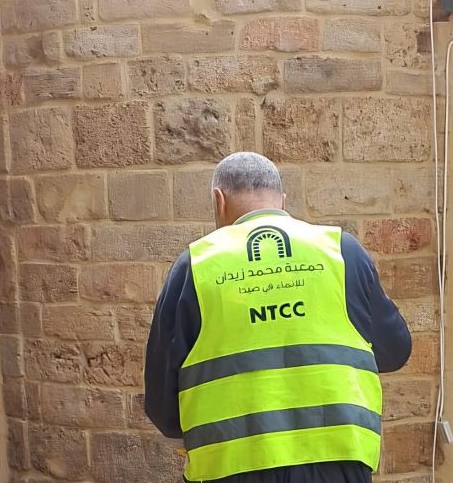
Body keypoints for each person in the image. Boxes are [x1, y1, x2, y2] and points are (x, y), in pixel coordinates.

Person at [144, 152, 412, 483]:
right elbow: (395, 351)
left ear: (218, 200)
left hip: (232, 469)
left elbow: (162, 405)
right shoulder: (342, 251)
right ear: (283, 201)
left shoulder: (194, 266)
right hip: (338, 464)